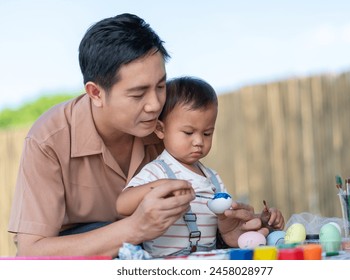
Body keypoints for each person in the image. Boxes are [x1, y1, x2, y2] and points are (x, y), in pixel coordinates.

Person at [8, 13, 284, 258]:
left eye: (161, 86)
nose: (154, 104)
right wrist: (134, 228)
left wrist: (229, 228)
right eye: (138, 93)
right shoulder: (49, 140)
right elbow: (32, 251)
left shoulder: (168, 123)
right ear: (96, 93)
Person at [116, 76, 280, 257]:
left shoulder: (213, 178)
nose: (199, 141)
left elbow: (225, 229)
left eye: (207, 133)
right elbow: (122, 205)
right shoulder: (158, 171)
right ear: (161, 130)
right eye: (188, 132)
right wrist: (158, 187)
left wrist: (261, 220)